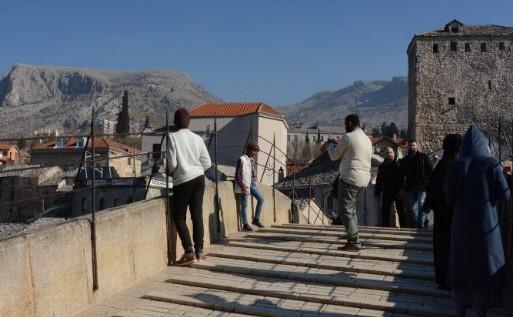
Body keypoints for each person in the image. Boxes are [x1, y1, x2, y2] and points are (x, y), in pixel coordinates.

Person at [446, 126, 511, 317]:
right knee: (484, 273)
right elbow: (505, 195)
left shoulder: (455, 166)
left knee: (463, 272)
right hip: (486, 229)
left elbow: (449, 200)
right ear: (483, 145)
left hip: (461, 228)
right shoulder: (491, 164)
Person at [167, 108, 212, 266]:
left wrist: (171, 172)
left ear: (175, 122)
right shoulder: (197, 138)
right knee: (197, 214)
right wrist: (196, 168)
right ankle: (199, 250)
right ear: (189, 122)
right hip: (199, 178)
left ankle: (188, 252)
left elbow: (172, 164)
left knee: (178, 216)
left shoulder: (172, 137)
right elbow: (207, 163)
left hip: (183, 180)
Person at [326, 114, 372, 251]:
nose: (344, 127)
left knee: (344, 210)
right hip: (364, 179)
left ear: (350, 123)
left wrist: (330, 144)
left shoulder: (349, 137)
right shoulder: (367, 139)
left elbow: (334, 156)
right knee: (351, 210)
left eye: (345, 124)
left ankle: (354, 241)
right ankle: (352, 237)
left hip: (350, 178)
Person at [423, 134, 462, 290]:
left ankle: (443, 279)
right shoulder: (455, 165)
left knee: (441, 247)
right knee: (450, 246)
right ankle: (449, 279)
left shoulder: (442, 165)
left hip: (441, 213)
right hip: (451, 214)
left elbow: (432, 188)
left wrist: (428, 204)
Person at [400, 139, 433, 228]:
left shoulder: (423, 157)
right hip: (410, 187)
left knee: (422, 203)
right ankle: (417, 224)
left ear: (417, 146)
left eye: (414, 145)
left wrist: (427, 183)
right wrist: (403, 185)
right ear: (408, 147)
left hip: (422, 186)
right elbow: (401, 174)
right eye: (410, 145)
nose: (412, 147)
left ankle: (421, 225)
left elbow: (430, 171)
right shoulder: (405, 160)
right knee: (413, 208)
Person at [235, 141, 265, 231]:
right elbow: (237, 175)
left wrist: (254, 177)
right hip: (244, 184)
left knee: (261, 199)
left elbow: (251, 172)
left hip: (251, 183)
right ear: (250, 150)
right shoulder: (242, 159)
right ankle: (245, 224)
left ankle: (256, 219)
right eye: (254, 151)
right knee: (244, 205)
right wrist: (242, 185)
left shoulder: (251, 160)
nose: (255, 153)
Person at [375, 147, 405, 227]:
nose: (389, 154)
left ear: (394, 153)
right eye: (388, 153)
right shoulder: (382, 166)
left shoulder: (399, 164)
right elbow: (379, 180)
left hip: (398, 190)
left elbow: (403, 177)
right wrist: (377, 192)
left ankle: (404, 227)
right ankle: (384, 227)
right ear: (385, 155)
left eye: (391, 152)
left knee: (401, 210)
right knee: (385, 210)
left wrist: (402, 188)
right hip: (387, 190)